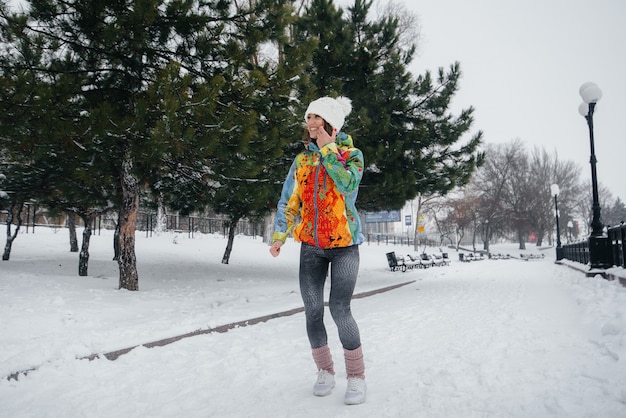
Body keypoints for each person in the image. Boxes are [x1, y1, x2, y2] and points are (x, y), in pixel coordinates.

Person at [269, 96, 367, 405]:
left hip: (344, 247)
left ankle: (356, 376)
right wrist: (279, 235)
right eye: (309, 116)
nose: (311, 122)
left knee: (340, 309)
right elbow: (290, 200)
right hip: (311, 246)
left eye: (317, 117)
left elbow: (348, 186)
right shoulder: (302, 161)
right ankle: (325, 371)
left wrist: (328, 151)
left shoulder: (352, 155)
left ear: (331, 124)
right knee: (312, 311)